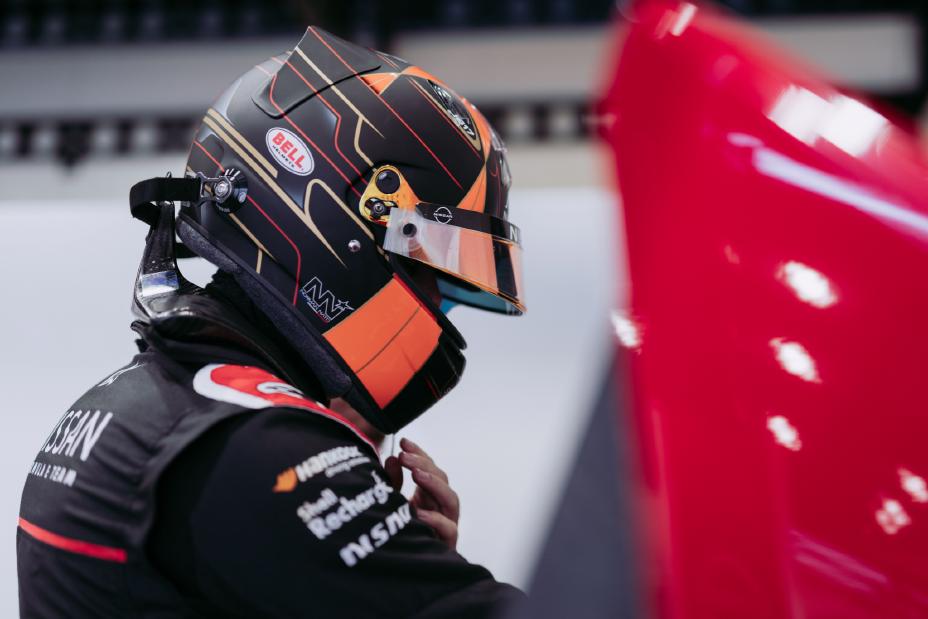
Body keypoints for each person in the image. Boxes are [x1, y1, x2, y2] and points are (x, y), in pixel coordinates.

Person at [17, 26, 525, 618]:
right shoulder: (254, 443)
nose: (440, 309)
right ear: (348, 227)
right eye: (433, 275)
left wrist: (391, 566)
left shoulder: (139, 402)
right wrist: (414, 581)